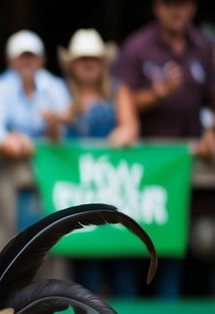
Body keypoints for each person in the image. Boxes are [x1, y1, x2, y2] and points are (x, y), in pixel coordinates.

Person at [115, 0, 215, 299]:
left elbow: (214, 99)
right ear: (157, 7)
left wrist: (212, 130)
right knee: (130, 245)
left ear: (194, 7)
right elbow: (121, 100)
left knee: (175, 248)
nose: (177, 11)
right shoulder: (137, 46)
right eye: (170, 4)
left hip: (184, 168)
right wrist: (157, 94)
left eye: (183, 4)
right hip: (141, 167)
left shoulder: (203, 46)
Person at [55, 28, 143, 299]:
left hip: (116, 192)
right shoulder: (60, 93)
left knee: (123, 265)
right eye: (82, 59)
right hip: (77, 196)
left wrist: (122, 136)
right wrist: (58, 121)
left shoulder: (118, 92)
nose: (88, 64)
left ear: (103, 62)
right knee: (85, 269)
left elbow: (131, 127)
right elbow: (50, 136)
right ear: (72, 64)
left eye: (93, 58)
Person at [0, 31, 70, 161]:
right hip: (12, 160)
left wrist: (54, 125)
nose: (27, 61)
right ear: (10, 60)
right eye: (22, 57)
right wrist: (9, 140)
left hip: (51, 161)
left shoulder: (56, 86)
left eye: (32, 56)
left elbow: (67, 134)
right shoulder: (0, 86)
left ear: (42, 60)